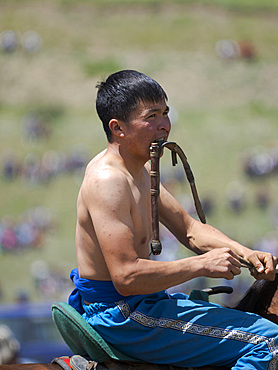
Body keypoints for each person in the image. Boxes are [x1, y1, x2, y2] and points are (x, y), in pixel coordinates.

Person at [69, 70, 278, 369]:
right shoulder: (108, 180)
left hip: (144, 303)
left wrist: (245, 253)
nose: (164, 125)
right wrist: (201, 265)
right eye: (151, 116)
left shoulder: (139, 170)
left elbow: (190, 230)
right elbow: (126, 277)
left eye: (165, 113)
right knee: (271, 342)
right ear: (118, 128)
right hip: (121, 314)